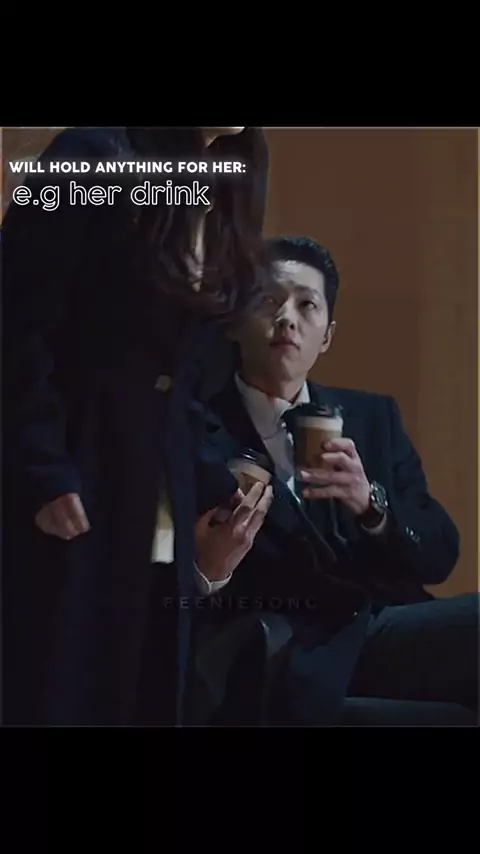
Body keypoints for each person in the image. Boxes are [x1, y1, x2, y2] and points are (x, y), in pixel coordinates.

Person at [2, 126, 273, 727]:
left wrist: (219, 478)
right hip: (74, 480)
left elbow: (182, 381)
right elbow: (15, 325)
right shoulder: (91, 154)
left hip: (160, 511)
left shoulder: (231, 181)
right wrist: (42, 467)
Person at [196, 235, 478, 725]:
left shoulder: (372, 418)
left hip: (387, 628)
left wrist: (371, 505)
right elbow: (162, 581)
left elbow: (440, 553)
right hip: (287, 652)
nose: (287, 318)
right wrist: (209, 570)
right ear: (236, 323)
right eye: (268, 301)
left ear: (326, 336)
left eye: (306, 305)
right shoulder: (196, 428)